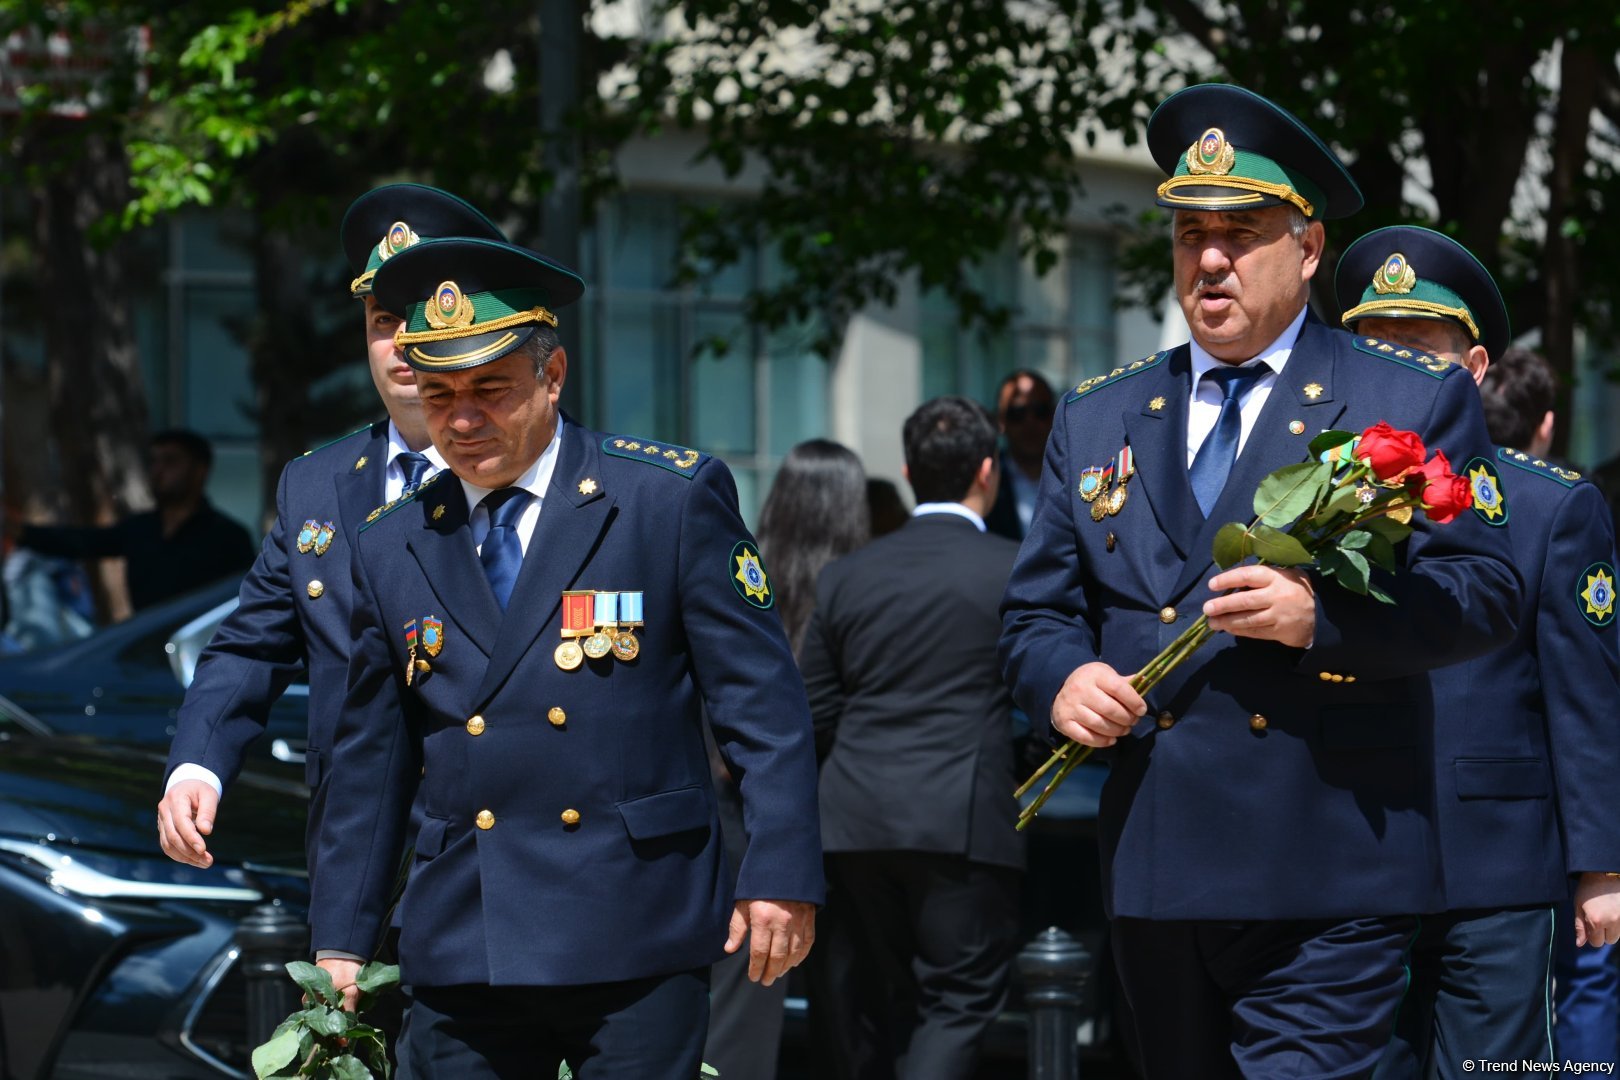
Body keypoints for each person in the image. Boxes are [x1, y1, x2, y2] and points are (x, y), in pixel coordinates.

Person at [999, 83, 1522, 1078]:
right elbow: (1036, 612)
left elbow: (1482, 594)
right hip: (1156, 860)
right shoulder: (1102, 414)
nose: (1208, 260)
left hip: (1328, 862)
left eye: (1240, 234)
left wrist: (1320, 620)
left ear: (1309, 247)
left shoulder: (1403, 395)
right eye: (1191, 233)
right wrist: (1059, 680)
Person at [310, 236, 823, 1079]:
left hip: (630, 919)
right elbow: (373, 755)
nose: (463, 420)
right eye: (439, 396)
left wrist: (781, 871)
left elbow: (762, 707)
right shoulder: (392, 539)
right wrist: (341, 937)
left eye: (490, 391)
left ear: (552, 377)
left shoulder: (663, 499)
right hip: (463, 931)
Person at [156, 183, 508, 876]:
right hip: (359, 863)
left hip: (514, 860)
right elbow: (251, 648)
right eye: (382, 319)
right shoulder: (315, 484)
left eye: (423, 315)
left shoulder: (540, 470)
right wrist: (197, 764)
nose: (403, 342)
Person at [1337, 230, 1620, 1073]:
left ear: (1474, 366)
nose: (1393, 367)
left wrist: (1601, 864)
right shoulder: (1312, 500)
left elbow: (1587, 698)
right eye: (1374, 348)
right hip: (1345, 857)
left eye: (1417, 350)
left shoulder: (1546, 508)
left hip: (1495, 865)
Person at [799, 396, 1023, 1080]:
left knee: (870, 1001)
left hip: (852, 821)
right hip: (961, 818)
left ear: (905, 471)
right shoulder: (1016, 568)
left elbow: (813, 709)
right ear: (988, 471)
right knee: (956, 1002)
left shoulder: (845, 576)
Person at [703, 437, 867, 1080]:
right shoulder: (857, 590)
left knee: (737, 1012)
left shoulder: (744, 576)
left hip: (737, 817)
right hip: (837, 822)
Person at [13, 429, 255, 612]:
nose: (158, 471)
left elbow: (246, 602)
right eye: (155, 461)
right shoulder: (140, 529)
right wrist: (19, 532)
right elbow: (83, 542)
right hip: (145, 655)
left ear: (200, 470)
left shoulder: (227, 537)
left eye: (170, 461)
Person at [985, 369, 1055, 541]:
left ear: (1055, 416)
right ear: (1000, 421)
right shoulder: (985, 479)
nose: (1030, 422)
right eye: (1017, 413)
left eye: (1040, 411)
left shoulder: (1075, 474)